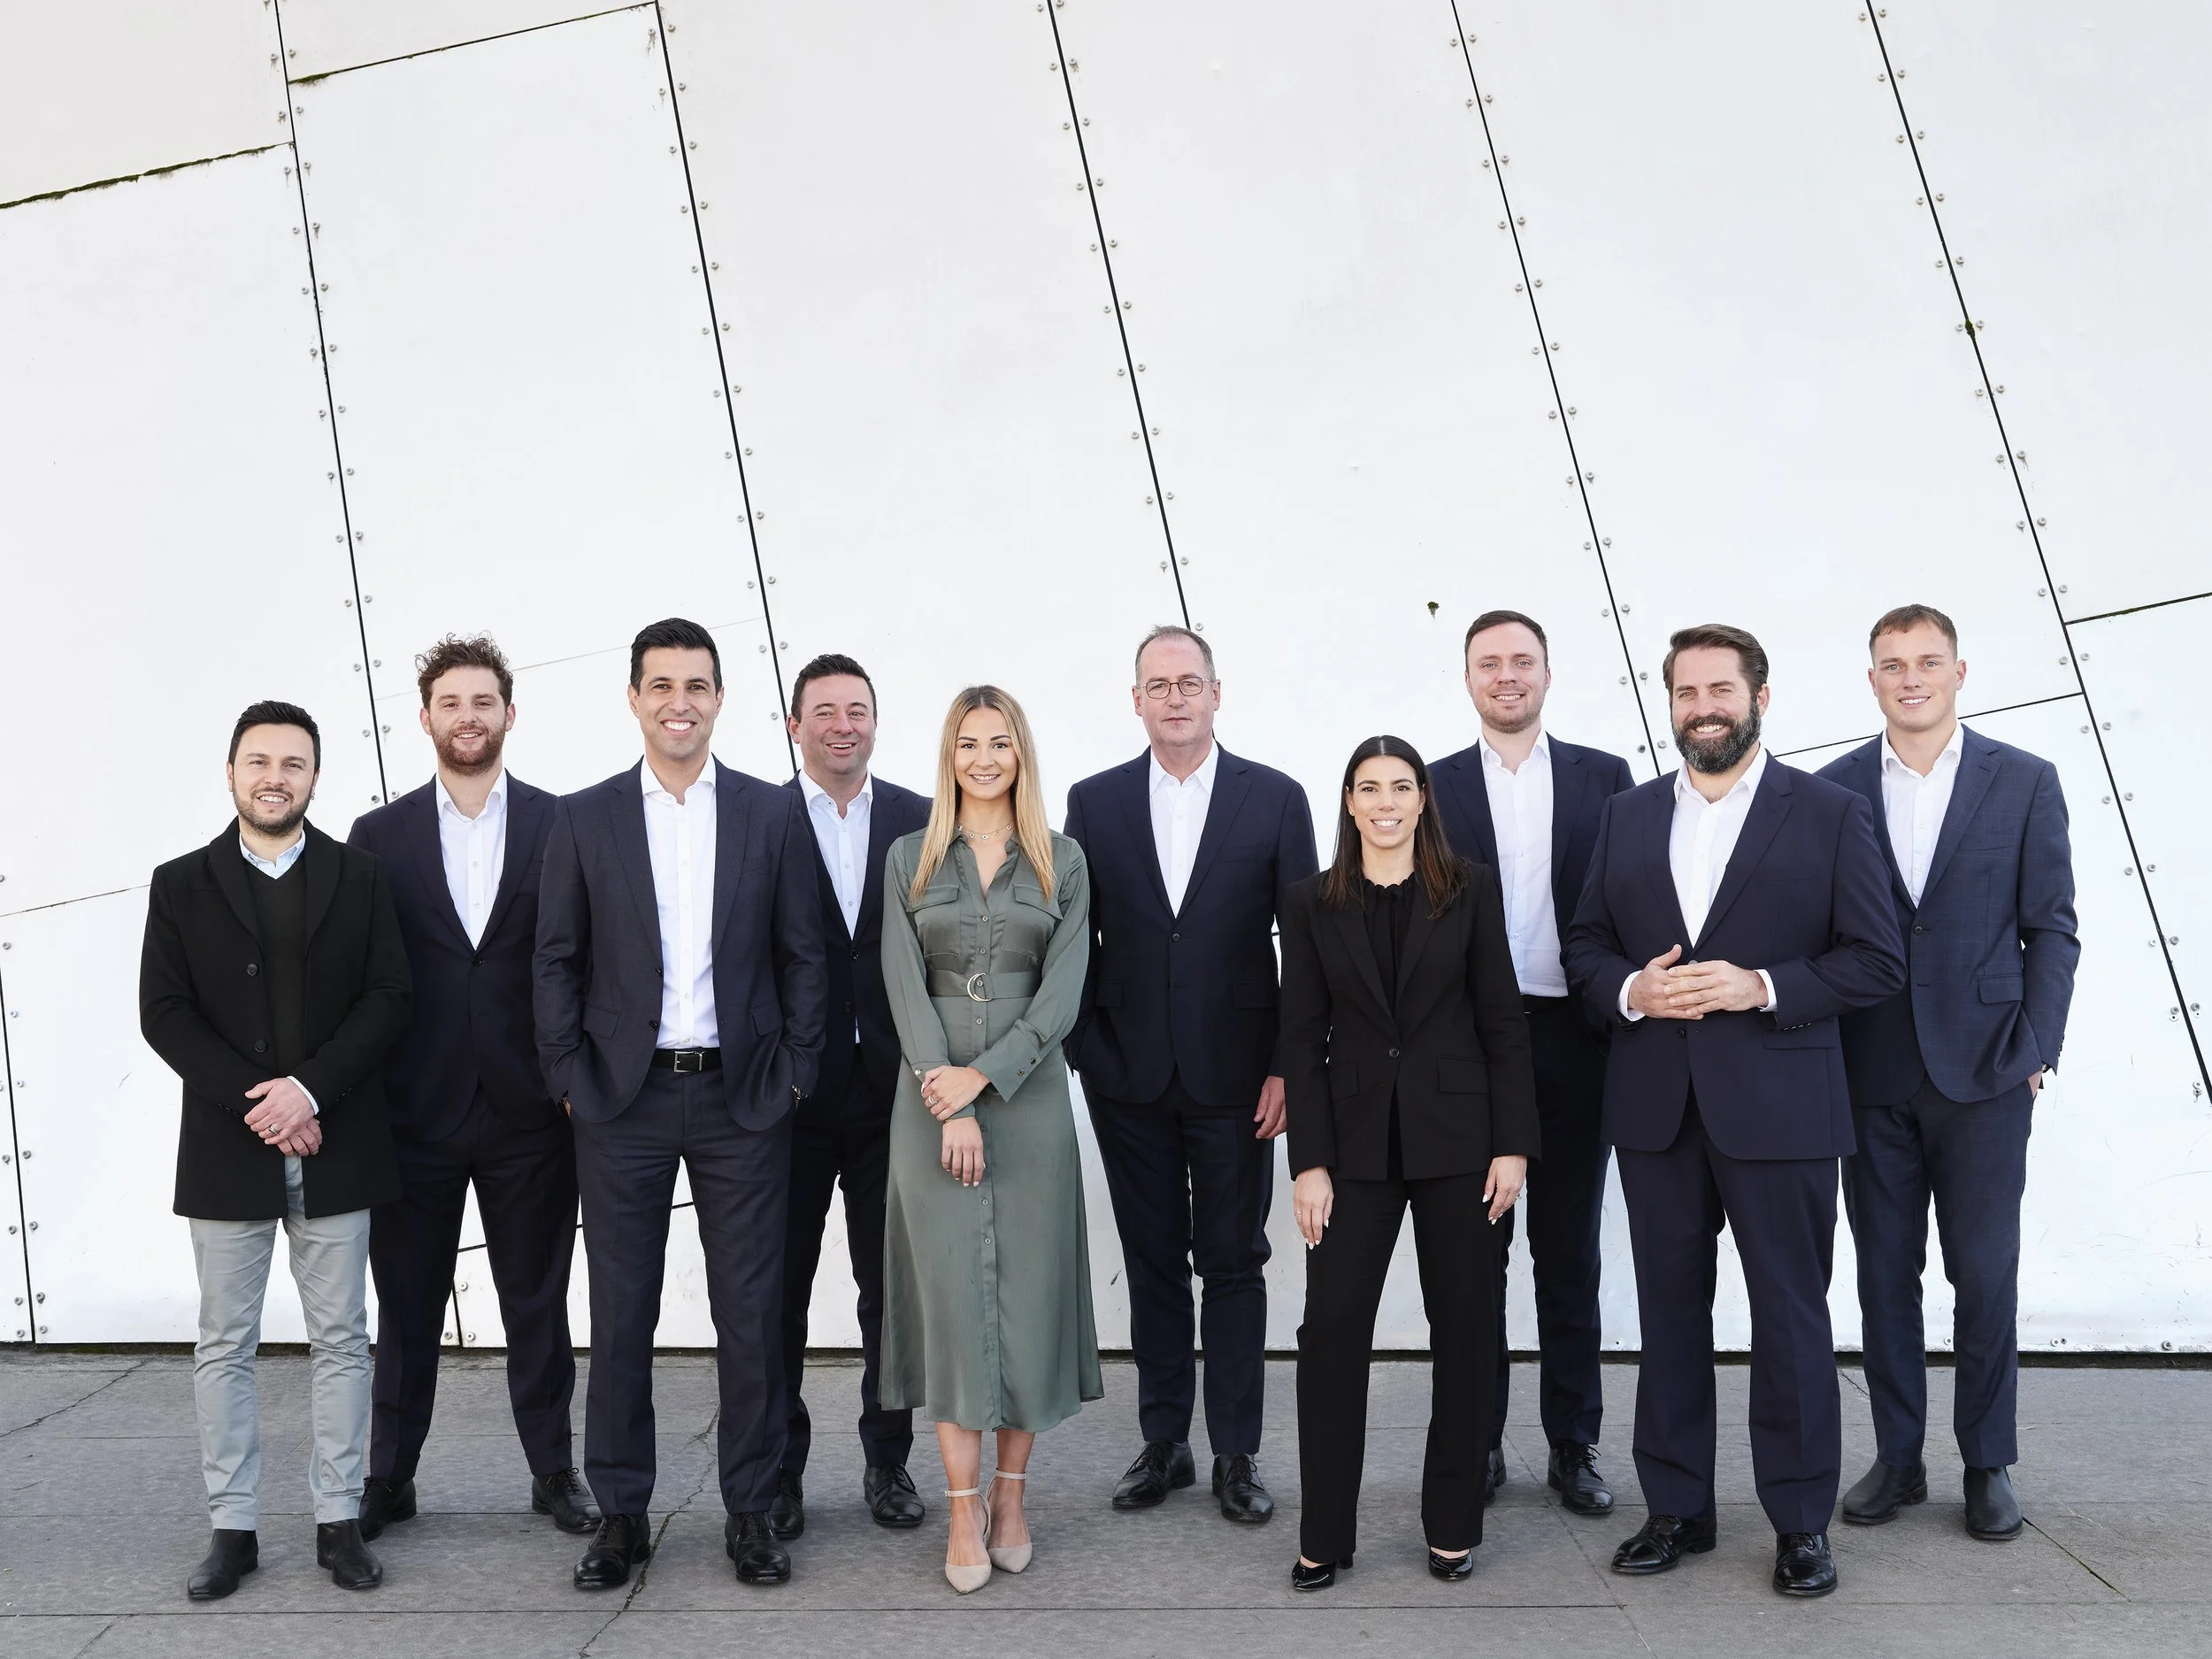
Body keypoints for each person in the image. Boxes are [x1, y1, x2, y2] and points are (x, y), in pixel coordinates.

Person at [1563, 623, 1904, 1600]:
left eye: (1720, 688)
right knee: (1668, 1315)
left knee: (1789, 1319)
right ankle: (1676, 1509)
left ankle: (1800, 1524)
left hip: (1782, 1107)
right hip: (1655, 1107)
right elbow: (1584, 946)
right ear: (1668, 704)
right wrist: (1633, 992)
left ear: (1759, 698)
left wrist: (1759, 985)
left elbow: (1875, 960)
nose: (1702, 707)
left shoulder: (1829, 813)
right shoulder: (1625, 817)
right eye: (1684, 692)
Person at [534, 618, 827, 1590]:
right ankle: (621, 1515)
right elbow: (557, 962)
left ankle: (750, 1512)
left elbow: (803, 955)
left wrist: (794, 1074)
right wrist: (571, 1081)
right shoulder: (584, 819)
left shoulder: (768, 813)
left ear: (718, 698)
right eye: (660, 684)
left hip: (743, 1098)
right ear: (632, 697)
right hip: (622, 1103)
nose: (679, 702)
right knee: (621, 1317)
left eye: (696, 685)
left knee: (750, 1313)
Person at [140, 701, 411, 1600]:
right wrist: (262, 1104)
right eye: (258, 760)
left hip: (338, 1142)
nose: (274, 776)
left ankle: (339, 1520)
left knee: (342, 1339)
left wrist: (311, 1090)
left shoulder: (360, 875)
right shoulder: (179, 884)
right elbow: (165, 1013)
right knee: (225, 1341)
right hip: (230, 1149)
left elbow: (387, 997)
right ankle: (234, 1530)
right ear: (229, 773)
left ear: (314, 777)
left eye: (293, 762)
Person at [1819, 604, 2078, 1540]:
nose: (1910, 677)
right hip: (1871, 1068)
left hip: (1985, 1071)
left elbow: (2051, 925)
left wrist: (2037, 1046)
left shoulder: (2024, 783)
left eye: (1927, 662)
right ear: (1873, 680)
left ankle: (1987, 1463)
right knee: (1885, 1274)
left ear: (1959, 673)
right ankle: (1897, 1457)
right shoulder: (1834, 789)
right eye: (1892, 664)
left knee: (1985, 1273)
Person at [1063, 625, 1317, 1523]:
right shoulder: (1092, 803)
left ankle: (1236, 1455)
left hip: (1238, 1079)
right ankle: (1163, 1440)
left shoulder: (1275, 799)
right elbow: (1072, 939)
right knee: (1152, 1262)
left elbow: (1307, 948)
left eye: (1189, 683)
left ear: (1216, 693)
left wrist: (1289, 1066)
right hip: (1126, 1076)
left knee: (1234, 1263)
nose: (1174, 697)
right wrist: (1083, 1051)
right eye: (1157, 685)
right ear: (1135, 700)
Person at [349, 636, 595, 1542]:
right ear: (425, 719)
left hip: (530, 1109)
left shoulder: (558, 823)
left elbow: (580, 959)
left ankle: (552, 1472)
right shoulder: (379, 837)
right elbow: (364, 971)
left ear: (508, 715)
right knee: (407, 1305)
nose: (468, 717)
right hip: (414, 1112)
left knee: (536, 1300)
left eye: (483, 701)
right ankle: (390, 1477)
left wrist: (570, 1079)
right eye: (451, 703)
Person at [1278, 736, 1539, 1591]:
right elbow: (1300, 1039)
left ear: (1422, 798)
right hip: (1350, 1150)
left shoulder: (1471, 888)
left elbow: (1503, 1020)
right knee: (1331, 1332)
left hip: (1463, 1145)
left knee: (1466, 1327)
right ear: (1348, 802)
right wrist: (1306, 1163)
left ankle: (1453, 1524)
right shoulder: (1312, 901)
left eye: (1400, 786)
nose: (1384, 801)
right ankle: (1324, 1533)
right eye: (1367, 787)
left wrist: (1514, 1144)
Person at [879, 686, 1099, 1594]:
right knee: (954, 1311)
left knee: (1026, 1301)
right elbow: (900, 982)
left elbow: (1063, 991)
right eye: (967, 743)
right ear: (949, 755)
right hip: (930, 1095)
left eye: (998, 742)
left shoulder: (1063, 860)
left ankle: (1011, 1495)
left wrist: (990, 1075)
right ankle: (961, 1510)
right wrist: (951, 1097)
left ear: (1020, 754)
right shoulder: (907, 856)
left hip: (1030, 1097)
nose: (982, 758)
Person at [1430, 610, 1634, 1515]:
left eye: (1522, 662)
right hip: (1467, 1050)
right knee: (1474, 1263)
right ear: (1467, 678)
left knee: (1568, 1252)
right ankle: (1475, 1443)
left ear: (1546, 674)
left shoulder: (1607, 780)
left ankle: (1573, 1442)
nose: (1506, 676)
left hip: (1573, 1040)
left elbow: (1635, 900)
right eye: (1489, 664)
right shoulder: (1429, 786)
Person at [772, 653, 932, 1538]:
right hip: (788, 1103)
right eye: (824, 711)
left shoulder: (919, 819)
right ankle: (783, 1472)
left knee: (890, 1296)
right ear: (795, 726)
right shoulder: (759, 820)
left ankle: (887, 1464)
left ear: (876, 722)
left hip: (890, 1097)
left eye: (857, 710)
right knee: (779, 1297)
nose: (842, 724)